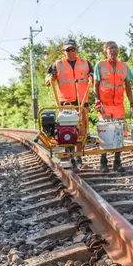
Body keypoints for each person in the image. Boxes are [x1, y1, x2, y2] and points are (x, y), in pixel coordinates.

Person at [45, 39, 94, 169]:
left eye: (72, 49)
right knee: (67, 127)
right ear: (63, 51)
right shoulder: (58, 64)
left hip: (82, 100)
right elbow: (48, 79)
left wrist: (91, 77)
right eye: (67, 50)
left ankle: (78, 157)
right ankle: (68, 153)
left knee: (81, 128)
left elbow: (92, 76)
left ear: (76, 50)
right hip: (65, 101)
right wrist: (50, 78)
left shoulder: (85, 63)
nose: (70, 52)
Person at [94, 41, 133, 171]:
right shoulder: (99, 65)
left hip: (118, 105)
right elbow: (95, 85)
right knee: (105, 132)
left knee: (120, 133)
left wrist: (132, 103)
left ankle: (117, 162)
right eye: (110, 48)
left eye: (115, 48)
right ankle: (103, 162)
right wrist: (97, 101)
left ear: (118, 51)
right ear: (105, 52)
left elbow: (128, 87)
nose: (113, 51)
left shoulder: (124, 66)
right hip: (104, 105)